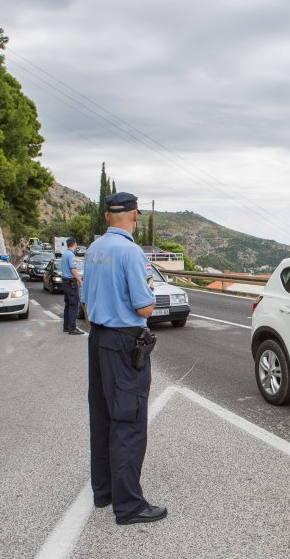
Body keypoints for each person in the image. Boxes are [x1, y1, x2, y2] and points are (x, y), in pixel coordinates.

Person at [80, 192, 167, 525]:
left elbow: (86, 305)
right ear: (134, 216)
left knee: (101, 417)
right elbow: (145, 306)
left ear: (106, 218)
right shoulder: (131, 251)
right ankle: (129, 505)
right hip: (123, 342)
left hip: (98, 337)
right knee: (128, 422)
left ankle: (104, 492)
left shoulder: (95, 249)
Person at [61, 237, 84, 335]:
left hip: (65, 282)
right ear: (74, 244)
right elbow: (73, 269)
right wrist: (79, 280)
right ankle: (72, 328)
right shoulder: (71, 255)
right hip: (71, 283)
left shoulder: (65, 254)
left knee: (68, 305)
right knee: (73, 305)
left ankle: (66, 326)